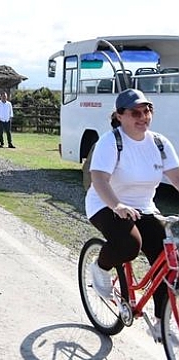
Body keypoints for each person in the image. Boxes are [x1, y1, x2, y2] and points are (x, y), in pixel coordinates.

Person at [87, 89, 179, 340]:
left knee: (168, 256)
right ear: (119, 115)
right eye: (135, 112)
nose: (144, 117)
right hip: (105, 204)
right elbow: (99, 179)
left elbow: (177, 176)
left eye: (147, 111)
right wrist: (117, 205)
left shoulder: (159, 142)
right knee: (129, 245)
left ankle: (162, 320)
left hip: (144, 208)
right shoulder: (111, 141)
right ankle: (100, 267)